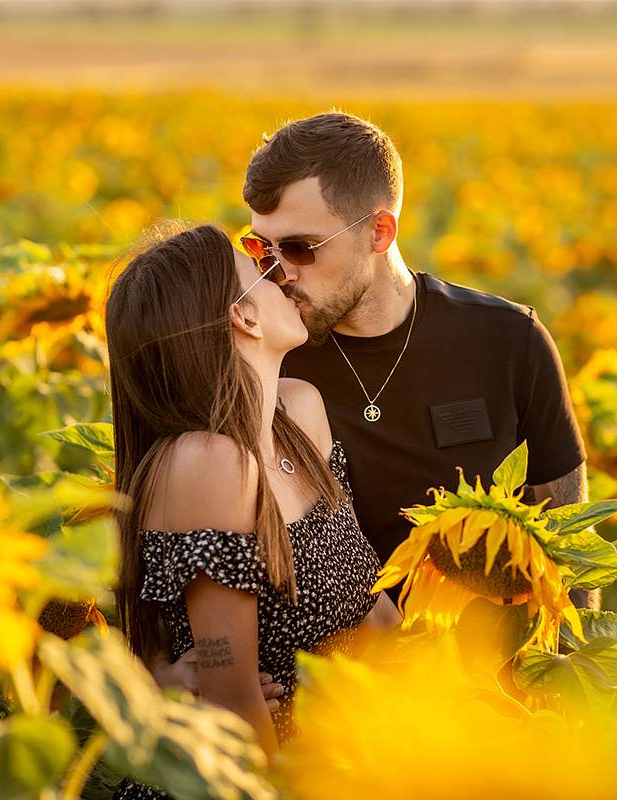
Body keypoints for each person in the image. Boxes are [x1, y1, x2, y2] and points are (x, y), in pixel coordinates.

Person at [239, 111, 593, 606]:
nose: (278, 271)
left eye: (300, 248)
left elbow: (568, 543)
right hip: (339, 673)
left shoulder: (508, 340)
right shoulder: (268, 358)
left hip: (495, 672)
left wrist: (570, 670)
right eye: (261, 247)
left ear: (380, 232)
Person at [106, 223, 399, 796]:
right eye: (264, 270)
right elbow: (236, 704)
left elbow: (375, 612)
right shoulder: (209, 462)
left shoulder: (300, 415)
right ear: (244, 318)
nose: (286, 274)